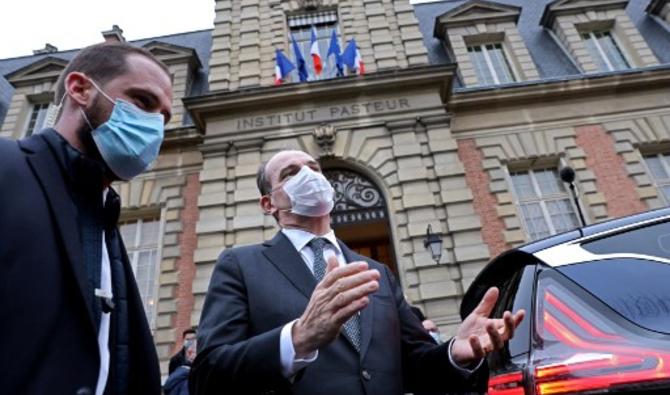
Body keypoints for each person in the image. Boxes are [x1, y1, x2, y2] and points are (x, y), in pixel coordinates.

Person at [190, 150, 525, 395]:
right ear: (268, 204)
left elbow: (416, 365)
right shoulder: (240, 265)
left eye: (314, 168)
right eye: (291, 173)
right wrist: (297, 339)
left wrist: (455, 352)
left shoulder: (377, 271)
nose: (309, 176)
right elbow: (207, 376)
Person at [0, 42, 173, 394]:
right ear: (79, 89)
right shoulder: (6, 168)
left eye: (163, 118)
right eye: (142, 102)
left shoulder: (104, 217)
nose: (154, 126)